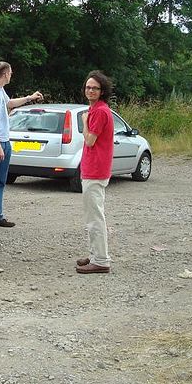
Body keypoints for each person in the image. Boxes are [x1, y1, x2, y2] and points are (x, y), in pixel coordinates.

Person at [0, 61, 43, 232]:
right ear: (6, 73)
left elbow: (9, 104)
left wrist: (29, 98)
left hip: (5, 142)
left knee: (0, 181)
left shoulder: (0, 91)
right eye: (11, 72)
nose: (11, 75)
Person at [75, 70, 115, 274]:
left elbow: (90, 140)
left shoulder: (99, 111)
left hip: (96, 170)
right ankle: (95, 255)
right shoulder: (98, 109)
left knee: (95, 217)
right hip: (94, 168)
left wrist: (83, 122)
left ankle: (101, 260)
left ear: (102, 91)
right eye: (88, 87)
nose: (90, 90)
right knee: (93, 214)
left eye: (95, 88)